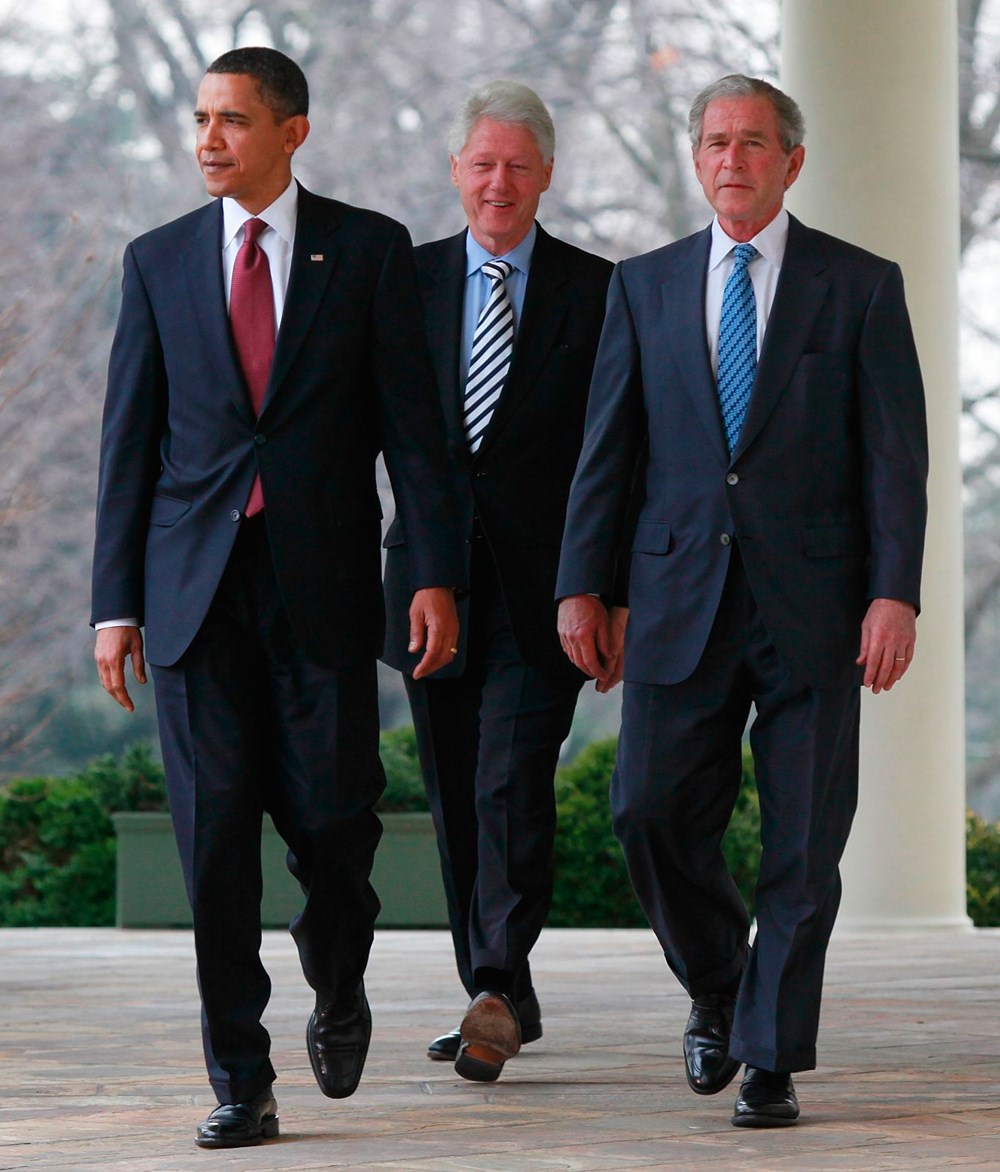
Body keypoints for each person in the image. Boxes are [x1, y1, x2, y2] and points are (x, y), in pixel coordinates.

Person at [91, 47, 462, 1149]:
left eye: (234, 121)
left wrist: (432, 569)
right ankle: (240, 1078)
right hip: (193, 595)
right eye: (203, 119)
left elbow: (415, 432)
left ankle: (337, 977)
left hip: (326, 589)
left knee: (335, 826)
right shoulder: (157, 260)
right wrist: (116, 603)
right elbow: (127, 443)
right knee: (212, 845)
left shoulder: (369, 250)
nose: (209, 139)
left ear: (292, 132)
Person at [556, 74, 927, 1127]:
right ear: (695, 159)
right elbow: (607, 450)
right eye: (716, 141)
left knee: (802, 846)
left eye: (755, 142)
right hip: (676, 597)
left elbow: (894, 458)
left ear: (791, 161)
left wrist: (893, 593)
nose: (733, 159)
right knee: (645, 810)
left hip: (818, 606)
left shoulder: (859, 285)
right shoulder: (645, 285)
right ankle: (722, 980)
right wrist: (582, 585)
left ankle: (769, 1055)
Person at [382, 80, 613, 1082]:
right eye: (482, 164)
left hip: (548, 587)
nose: (498, 183)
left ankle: (488, 984)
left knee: (509, 781)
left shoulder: (599, 291)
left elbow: (619, 454)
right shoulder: (404, 284)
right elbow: (389, 438)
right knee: (453, 791)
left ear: (547, 174)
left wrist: (608, 589)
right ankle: (503, 995)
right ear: (454, 171)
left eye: (518, 165)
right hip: (427, 583)